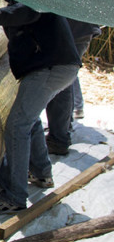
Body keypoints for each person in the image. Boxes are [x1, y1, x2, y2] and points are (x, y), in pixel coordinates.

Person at [0, 0, 81, 215]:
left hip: (50, 67)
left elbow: (29, 11)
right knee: (29, 121)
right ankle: (41, 172)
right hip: (56, 66)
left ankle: (14, 196)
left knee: (17, 126)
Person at [44, 20, 102, 154]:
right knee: (65, 77)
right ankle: (63, 128)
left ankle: (58, 139)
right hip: (76, 29)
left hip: (72, 30)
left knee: (60, 81)